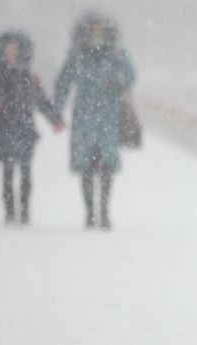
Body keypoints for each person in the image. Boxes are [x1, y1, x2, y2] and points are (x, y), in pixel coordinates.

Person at [53, 12, 137, 229]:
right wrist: (57, 111)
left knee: (107, 166)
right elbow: (63, 83)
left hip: (109, 116)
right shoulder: (77, 56)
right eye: (92, 31)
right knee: (87, 167)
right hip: (84, 118)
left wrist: (118, 80)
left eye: (100, 31)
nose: (96, 36)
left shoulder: (117, 55)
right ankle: (90, 211)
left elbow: (131, 75)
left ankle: (105, 211)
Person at [0, 30, 64, 225]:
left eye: (14, 51)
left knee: (26, 172)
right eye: (7, 51)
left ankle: (25, 209)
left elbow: (42, 101)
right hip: (3, 129)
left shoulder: (30, 78)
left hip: (25, 131)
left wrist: (55, 120)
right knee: (8, 172)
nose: (10, 55)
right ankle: (10, 211)